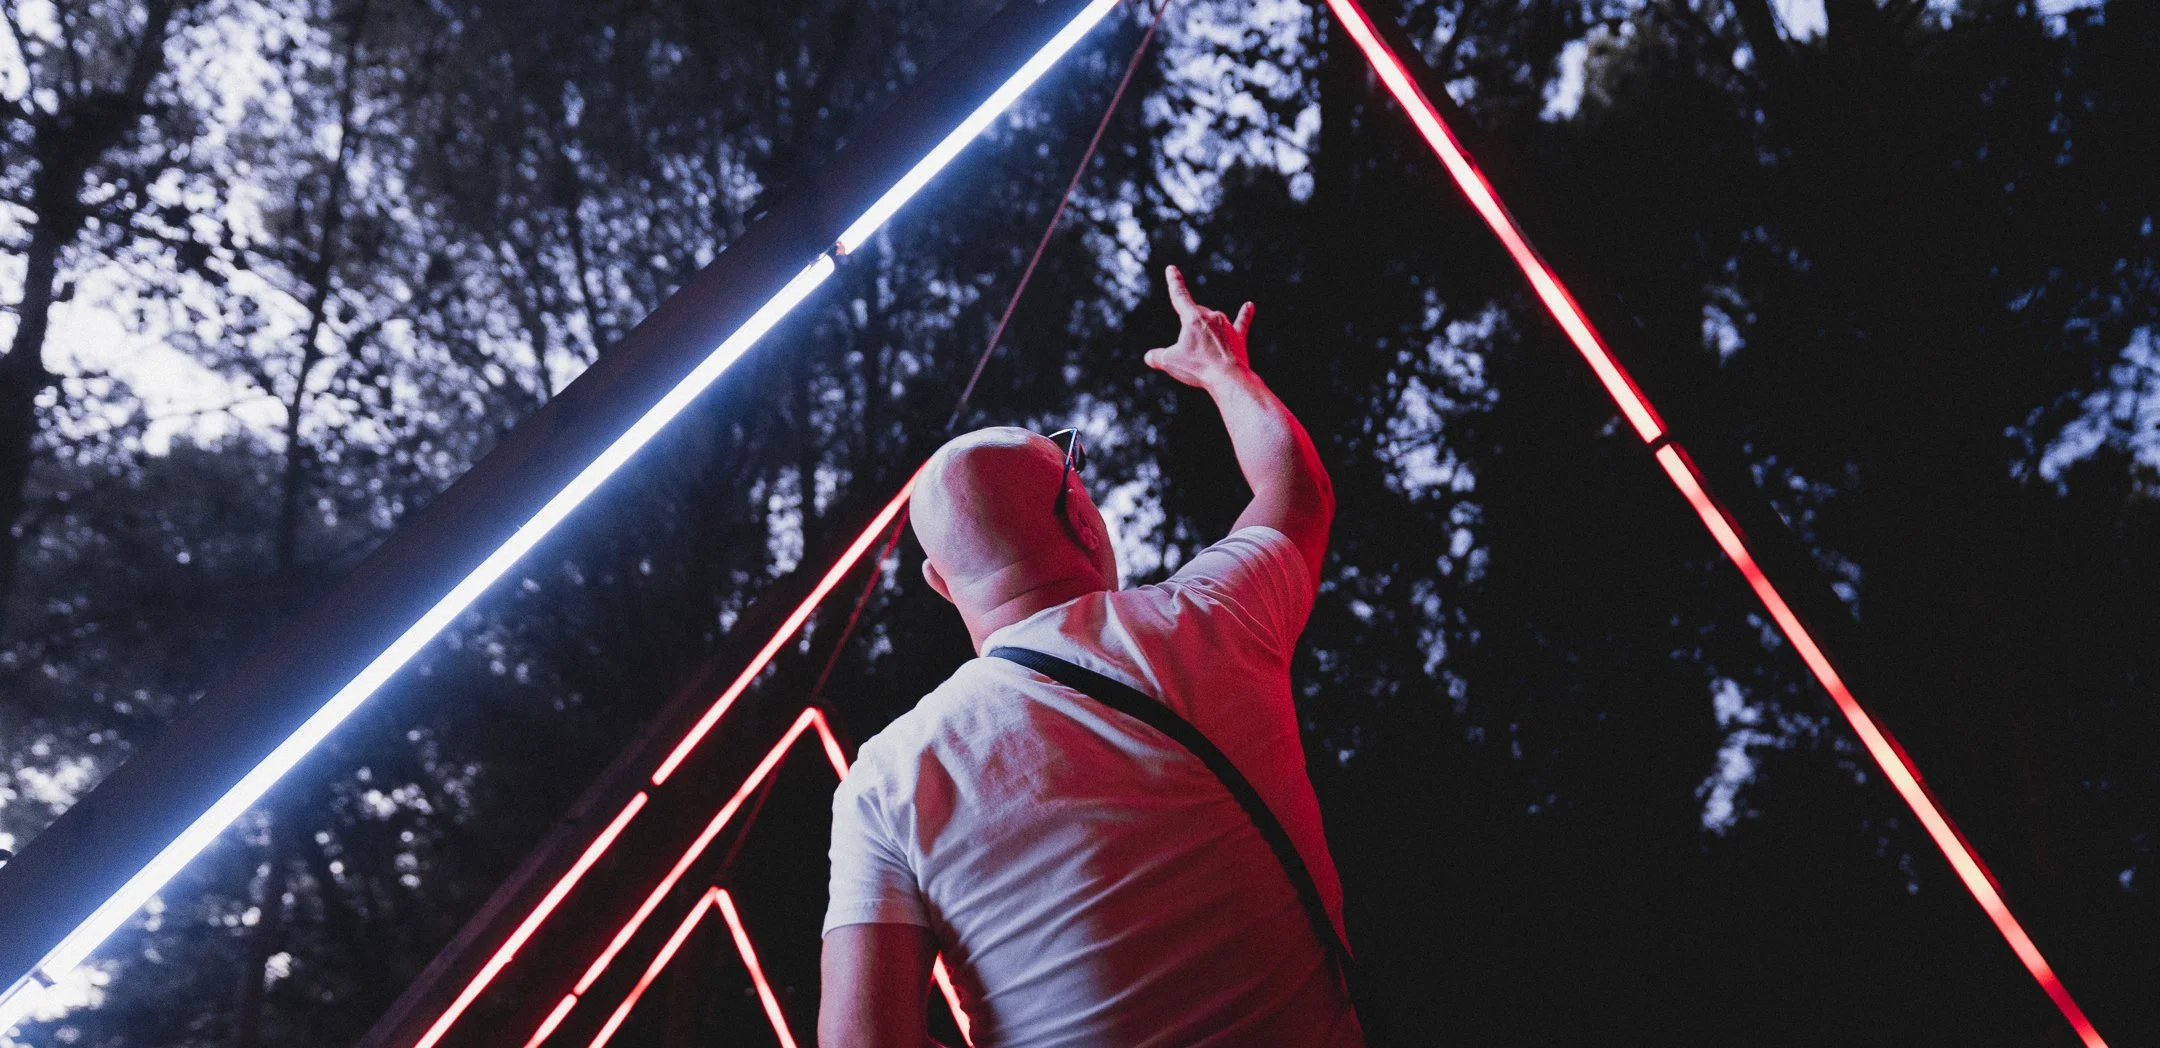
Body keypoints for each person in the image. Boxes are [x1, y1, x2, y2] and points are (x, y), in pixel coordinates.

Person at [819, 266, 1358, 1047]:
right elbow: (1298, 487)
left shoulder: (885, 782)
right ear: (1081, 515)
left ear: (942, 584)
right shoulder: (1214, 618)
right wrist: (1222, 371)